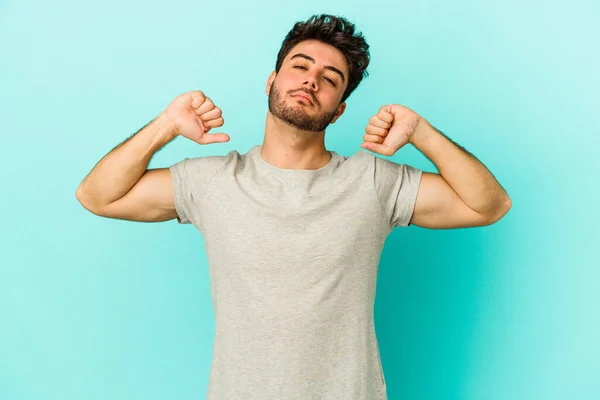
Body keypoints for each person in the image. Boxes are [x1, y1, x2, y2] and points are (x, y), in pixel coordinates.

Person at [76, 14, 511, 400]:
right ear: (271, 81)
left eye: (330, 77)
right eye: (300, 66)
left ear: (339, 110)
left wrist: (421, 132)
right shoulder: (211, 181)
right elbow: (97, 195)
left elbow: (489, 206)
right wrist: (166, 126)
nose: (311, 80)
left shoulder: (373, 182)